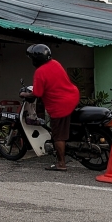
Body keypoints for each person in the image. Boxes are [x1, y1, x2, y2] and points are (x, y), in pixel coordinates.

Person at [27, 43, 79, 171]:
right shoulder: (55, 63)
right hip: (72, 97)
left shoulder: (40, 72)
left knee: (58, 135)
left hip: (60, 105)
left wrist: (25, 93)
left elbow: (38, 93)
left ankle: (61, 164)